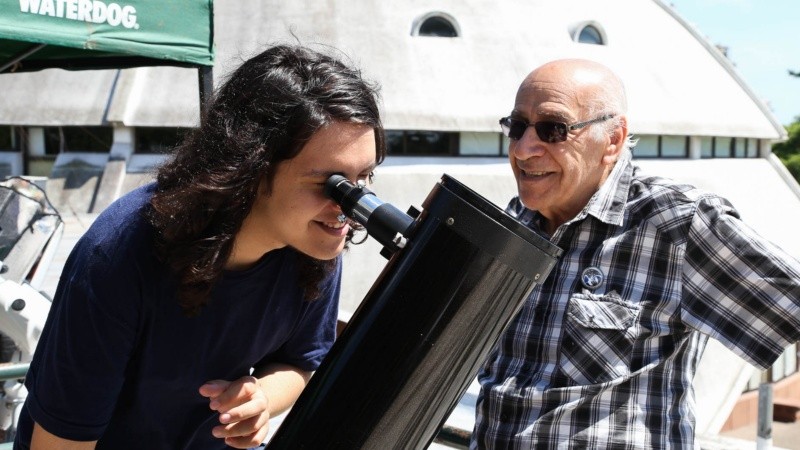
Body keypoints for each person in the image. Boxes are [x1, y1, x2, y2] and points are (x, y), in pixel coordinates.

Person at [14, 44, 386, 449]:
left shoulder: (314, 241)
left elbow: (299, 363)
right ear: (253, 168)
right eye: (332, 183)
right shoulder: (119, 255)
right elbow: (59, 444)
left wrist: (261, 397)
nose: (349, 207)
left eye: (364, 178)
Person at [472, 58, 800, 448]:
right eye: (517, 127)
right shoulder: (517, 220)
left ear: (612, 140)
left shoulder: (677, 224)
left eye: (553, 129)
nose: (524, 150)